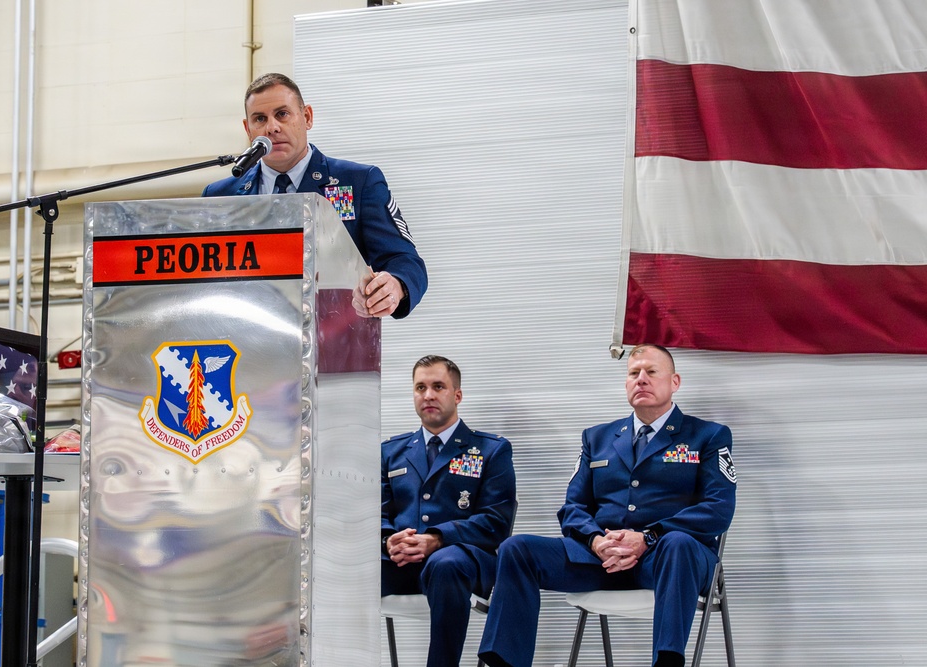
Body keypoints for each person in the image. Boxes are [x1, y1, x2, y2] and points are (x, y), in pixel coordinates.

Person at [478, 344, 736, 667]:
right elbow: (573, 507)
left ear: (675, 382)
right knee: (517, 550)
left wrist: (648, 537)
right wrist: (596, 541)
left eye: (651, 372)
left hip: (668, 561)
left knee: (678, 544)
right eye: (633, 373)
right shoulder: (597, 438)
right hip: (602, 559)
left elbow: (718, 508)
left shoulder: (708, 436)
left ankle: (667, 663)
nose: (641, 379)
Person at [202, 72, 427, 319]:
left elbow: (404, 260)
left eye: (282, 114)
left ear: (307, 117)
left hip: (333, 332)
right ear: (248, 129)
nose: (272, 127)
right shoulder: (220, 196)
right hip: (245, 333)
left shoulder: (357, 182)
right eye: (260, 119)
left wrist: (396, 284)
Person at [382, 355, 517, 667]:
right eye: (420, 387)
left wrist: (437, 538)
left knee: (446, 564)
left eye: (438, 386)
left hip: (462, 561)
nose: (428, 395)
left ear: (457, 395)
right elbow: (376, 513)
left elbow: (496, 521)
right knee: (343, 572)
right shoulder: (391, 452)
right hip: (401, 562)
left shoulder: (491, 450)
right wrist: (388, 541)